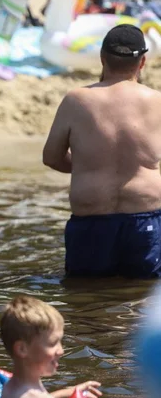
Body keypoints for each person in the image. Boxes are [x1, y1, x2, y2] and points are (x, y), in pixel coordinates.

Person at [43, 25, 161, 278]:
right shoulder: (157, 101)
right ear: (142, 62)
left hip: (90, 219)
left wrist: (89, 165)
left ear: (102, 58)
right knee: (143, 296)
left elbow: (51, 157)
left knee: (85, 297)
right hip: (145, 220)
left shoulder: (76, 100)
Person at [0, 295, 161, 398]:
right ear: (22, 349)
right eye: (53, 343)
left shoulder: (9, 390)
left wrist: (66, 393)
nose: (61, 350)